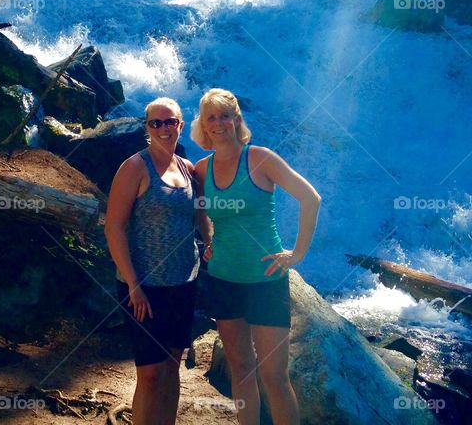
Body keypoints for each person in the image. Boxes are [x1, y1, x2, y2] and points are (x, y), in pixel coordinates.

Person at [191, 88, 321, 425]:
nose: (218, 123)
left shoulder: (260, 158)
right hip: (223, 278)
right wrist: (209, 239)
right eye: (211, 118)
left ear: (236, 120)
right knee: (241, 367)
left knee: (275, 377)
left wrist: (296, 253)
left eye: (224, 116)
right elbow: (199, 210)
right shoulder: (202, 170)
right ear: (203, 127)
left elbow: (311, 199)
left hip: (265, 280)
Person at [104, 96, 208, 425]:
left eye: (170, 122)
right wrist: (133, 284)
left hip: (184, 283)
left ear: (180, 124)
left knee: (171, 366)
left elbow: (201, 217)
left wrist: (212, 241)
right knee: (149, 375)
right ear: (147, 127)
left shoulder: (188, 169)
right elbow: (114, 227)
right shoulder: (135, 167)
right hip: (145, 289)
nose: (163, 128)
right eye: (155, 123)